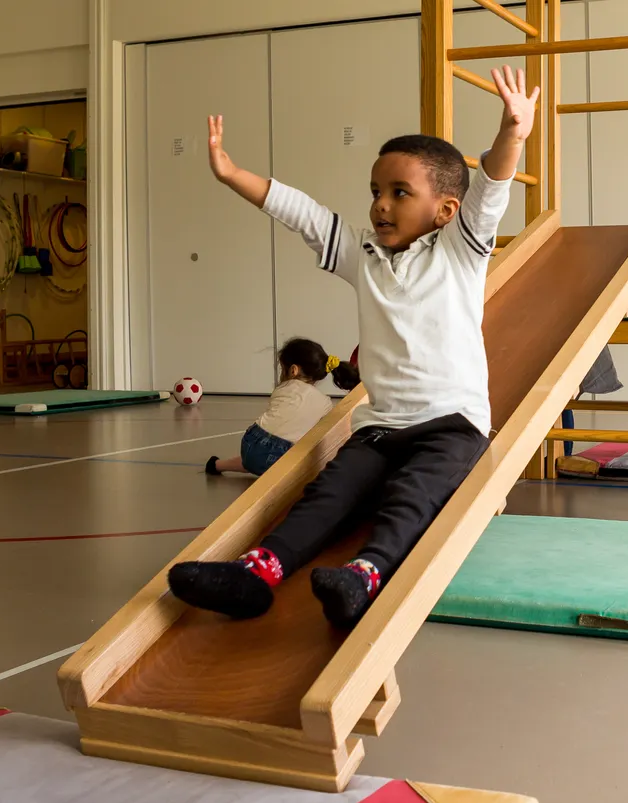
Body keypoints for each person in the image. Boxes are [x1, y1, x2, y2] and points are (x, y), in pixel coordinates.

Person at [170, 65, 538, 630]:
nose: (380, 206)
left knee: (413, 497)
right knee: (329, 493)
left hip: (453, 425)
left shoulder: (460, 250)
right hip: (380, 426)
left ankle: (365, 574)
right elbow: (301, 212)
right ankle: (256, 574)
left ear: (443, 210)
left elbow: (490, 189)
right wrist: (231, 173)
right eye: (375, 192)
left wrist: (512, 131)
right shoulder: (361, 254)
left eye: (399, 193)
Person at [206, 337, 359, 477]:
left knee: (260, 454)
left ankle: (217, 465)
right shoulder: (325, 402)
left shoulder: (283, 387)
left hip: (250, 443)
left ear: (293, 370)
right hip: (280, 457)